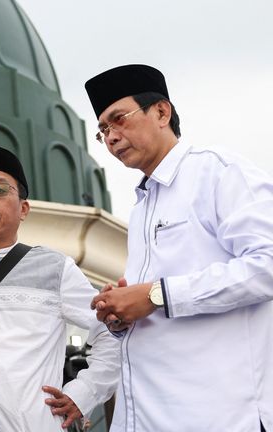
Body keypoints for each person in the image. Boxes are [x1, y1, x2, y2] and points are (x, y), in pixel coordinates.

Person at [85, 64, 273, 431]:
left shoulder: (218, 172)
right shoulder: (140, 207)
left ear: (161, 112)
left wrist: (156, 294)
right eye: (103, 130)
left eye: (118, 119)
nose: (110, 136)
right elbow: (156, 306)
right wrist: (122, 310)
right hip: (151, 417)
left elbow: (267, 266)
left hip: (221, 417)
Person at [0, 144, 120, 431]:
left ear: (24, 208)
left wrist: (83, 394)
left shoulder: (55, 268)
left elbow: (111, 334)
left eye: (0, 191)